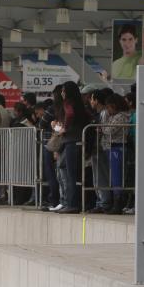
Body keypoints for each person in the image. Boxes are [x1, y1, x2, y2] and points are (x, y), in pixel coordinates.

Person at [53, 81, 90, 213]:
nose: (62, 93)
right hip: (78, 140)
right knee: (72, 172)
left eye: (63, 91)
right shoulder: (80, 105)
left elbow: (69, 114)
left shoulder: (68, 103)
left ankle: (72, 204)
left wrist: (64, 128)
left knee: (70, 174)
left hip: (71, 141)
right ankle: (73, 202)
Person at [101, 94, 131, 214]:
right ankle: (115, 201)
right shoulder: (113, 116)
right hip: (110, 147)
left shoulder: (122, 116)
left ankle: (118, 202)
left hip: (117, 147)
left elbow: (109, 130)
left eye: (109, 107)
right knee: (113, 177)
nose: (108, 110)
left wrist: (102, 127)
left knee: (117, 177)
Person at [87, 89, 114, 213]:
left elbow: (103, 130)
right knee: (97, 175)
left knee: (101, 175)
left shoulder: (104, 113)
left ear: (96, 101)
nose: (90, 101)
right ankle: (101, 201)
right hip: (97, 148)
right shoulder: (100, 114)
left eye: (92, 99)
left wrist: (98, 130)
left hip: (101, 147)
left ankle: (104, 201)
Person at [42, 86, 65, 212]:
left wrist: (53, 126)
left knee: (53, 174)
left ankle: (56, 200)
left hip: (52, 144)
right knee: (61, 174)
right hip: (63, 144)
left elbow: (42, 123)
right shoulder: (67, 108)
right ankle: (60, 200)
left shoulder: (54, 109)